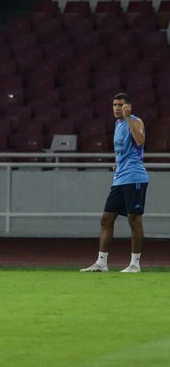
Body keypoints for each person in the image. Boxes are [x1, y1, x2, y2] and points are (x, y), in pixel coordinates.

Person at [81, 93, 149, 273]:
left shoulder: (135, 121)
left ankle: (135, 264)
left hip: (134, 177)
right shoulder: (118, 124)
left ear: (128, 107)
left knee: (134, 220)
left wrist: (128, 118)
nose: (117, 108)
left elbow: (140, 140)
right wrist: (117, 164)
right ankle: (101, 263)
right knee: (106, 219)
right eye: (114, 105)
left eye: (120, 105)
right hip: (120, 177)